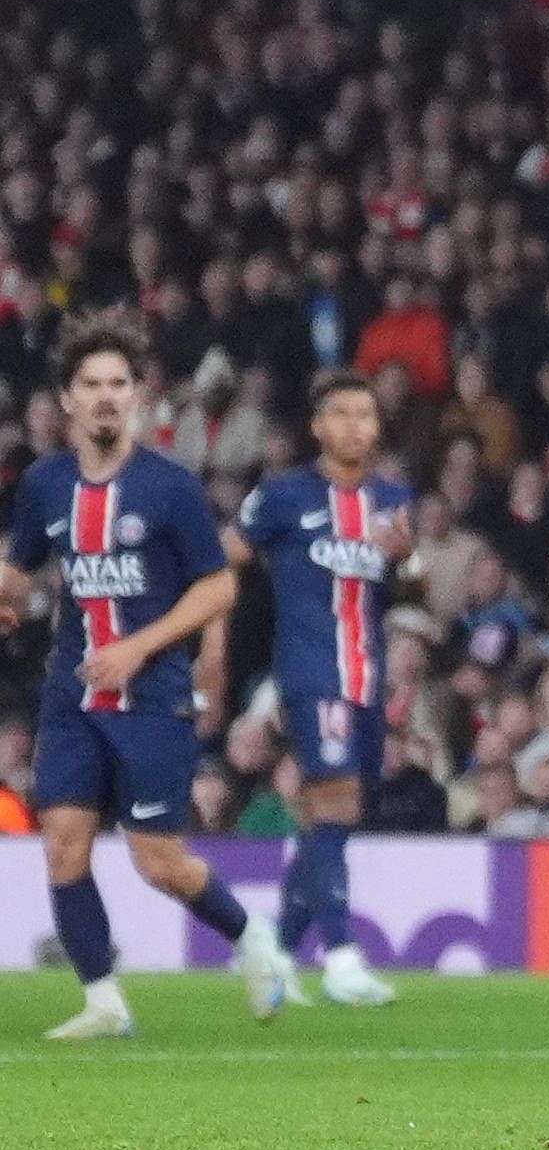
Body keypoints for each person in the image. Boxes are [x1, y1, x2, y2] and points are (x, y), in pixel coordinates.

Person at [4, 317, 296, 1037]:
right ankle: (103, 1000)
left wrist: (140, 646)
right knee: (63, 839)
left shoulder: (168, 486)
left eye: (118, 384)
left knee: (157, 859)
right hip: (72, 692)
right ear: (67, 400)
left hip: (152, 694)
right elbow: (20, 567)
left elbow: (216, 587)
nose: (106, 397)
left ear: (136, 397)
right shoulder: (45, 483)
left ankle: (251, 937)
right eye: (92, 385)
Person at [227, 368, 413, 1007]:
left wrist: (405, 561)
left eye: (366, 415)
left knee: (333, 820)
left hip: (368, 678)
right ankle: (340, 958)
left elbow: (396, 589)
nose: (355, 426)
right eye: (341, 414)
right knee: (332, 802)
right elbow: (227, 556)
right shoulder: (282, 496)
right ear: (317, 426)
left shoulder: (392, 499)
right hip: (311, 672)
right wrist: (211, 644)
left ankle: (274, 950)